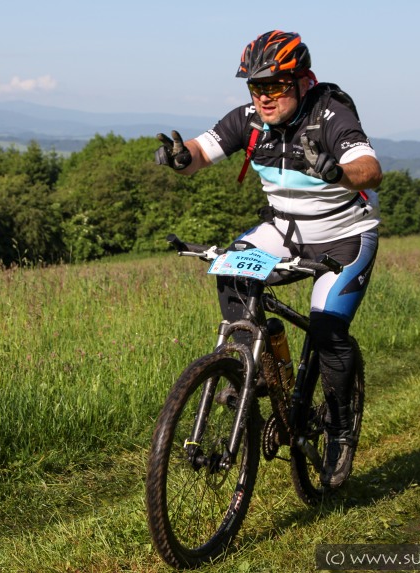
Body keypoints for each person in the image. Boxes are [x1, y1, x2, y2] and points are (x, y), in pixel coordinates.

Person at [155, 30, 382, 489]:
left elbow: (371, 171)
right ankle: (255, 369)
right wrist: (181, 158)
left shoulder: (330, 114)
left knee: (327, 333)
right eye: (256, 87)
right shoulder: (248, 120)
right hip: (283, 230)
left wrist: (337, 171)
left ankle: (340, 431)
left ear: (302, 81)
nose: (264, 97)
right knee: (231, 271)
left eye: (275, 86)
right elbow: (200, 152)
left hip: (344, 238)